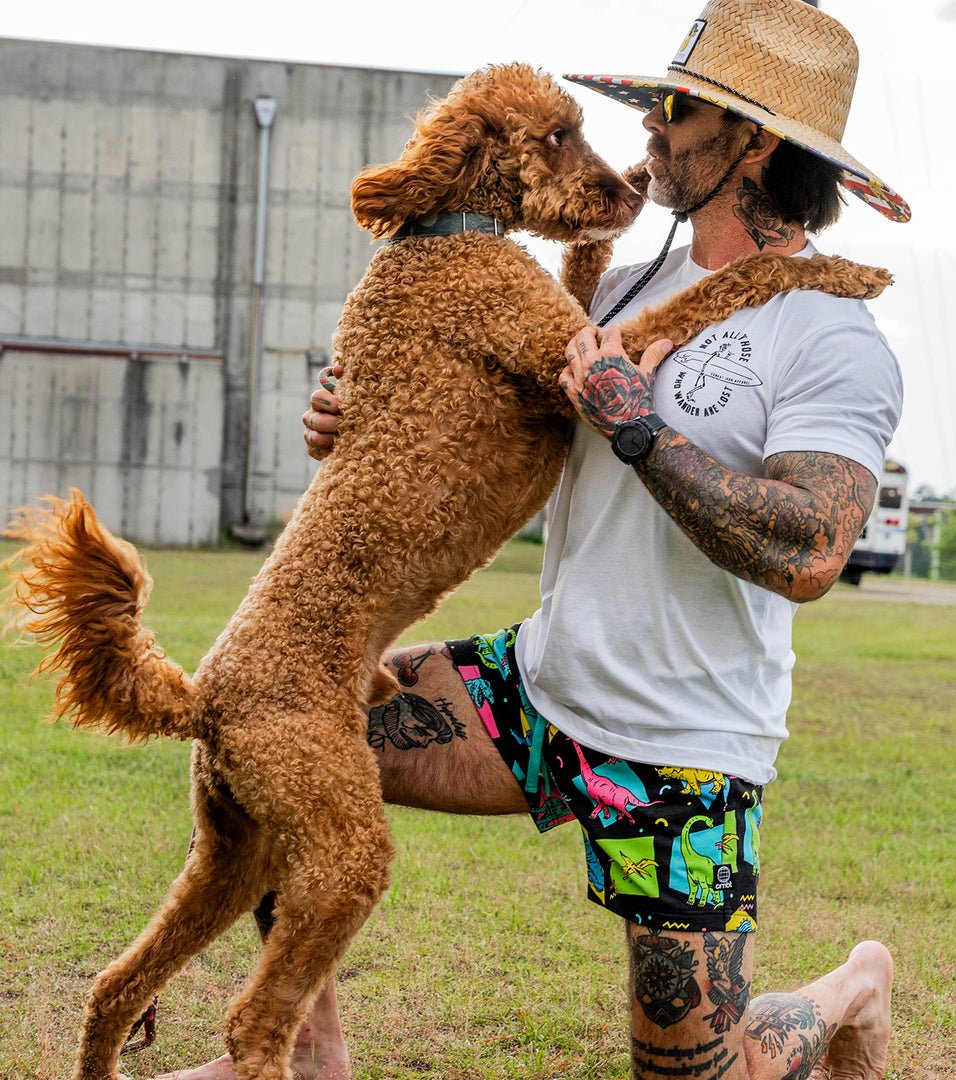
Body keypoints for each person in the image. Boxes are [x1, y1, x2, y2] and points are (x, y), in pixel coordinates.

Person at [158, 1, 906, 1077]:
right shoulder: (633, 276)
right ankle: (301, 1053)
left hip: (682, 743)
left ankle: (848, 989)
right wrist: (355, 405)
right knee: (287, 728)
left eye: (680, 108)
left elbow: (813, 550)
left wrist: (640, 431)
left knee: (696, 1075)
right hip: (538, 683)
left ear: (757, 141)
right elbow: (490, 405)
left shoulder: (829, 330)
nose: (651, 126)